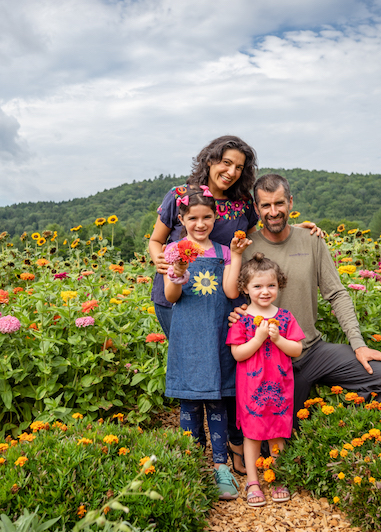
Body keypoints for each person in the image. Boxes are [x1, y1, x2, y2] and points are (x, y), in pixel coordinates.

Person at [148, 136, 322, 477]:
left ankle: (233, 441)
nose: (230, 171)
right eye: (225, 162)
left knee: (227, 367)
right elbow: (156, 239)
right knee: (194, 370)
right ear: (210, 160)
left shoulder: (242, 204)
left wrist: (297, 228)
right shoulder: (179, 196)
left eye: (239, 167)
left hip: (223, 299)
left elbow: (260, 235)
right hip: (177, 296)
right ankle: (195, 452)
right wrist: (164, 262)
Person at [233, 173, 381, 432]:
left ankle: (335, 423)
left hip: (313, 351)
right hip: (272, 360)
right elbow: (233, 296)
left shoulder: (312, 239)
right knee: (281, 434)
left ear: (290, 202)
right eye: (266, 205)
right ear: (256, 208)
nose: (273, 211)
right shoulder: (246, 248)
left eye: (279, 203)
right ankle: (302, 424)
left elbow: (336, 293)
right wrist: (236, 312)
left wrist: (359, 346)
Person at [163, 186, 251, 500]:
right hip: (187, 335)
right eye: (193, 218)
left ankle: (220, 466)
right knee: (188, 402)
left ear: (214, 217)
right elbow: (172, 296)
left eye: (207, 217)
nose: (200, 224)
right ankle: (191, 464)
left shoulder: (223, 251)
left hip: (216, 335)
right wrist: (178, 270)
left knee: (216, 399)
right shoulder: (174, 250)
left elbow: (230, 292)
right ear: (182, 219)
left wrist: (238, 255)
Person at [227, 253, 305, 507]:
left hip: (280, 387)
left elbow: (297, 350)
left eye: (271, 285)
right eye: (257, 286)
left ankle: (278, 477)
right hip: (251, 389)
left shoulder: (284, 317)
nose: (265, 291)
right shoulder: (242, 319)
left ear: (279, 285)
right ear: (245, 289)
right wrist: (259, 338)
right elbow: (238, 354)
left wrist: (279, 339)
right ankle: (253, 482)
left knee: (277, 433)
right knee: (252, 433)